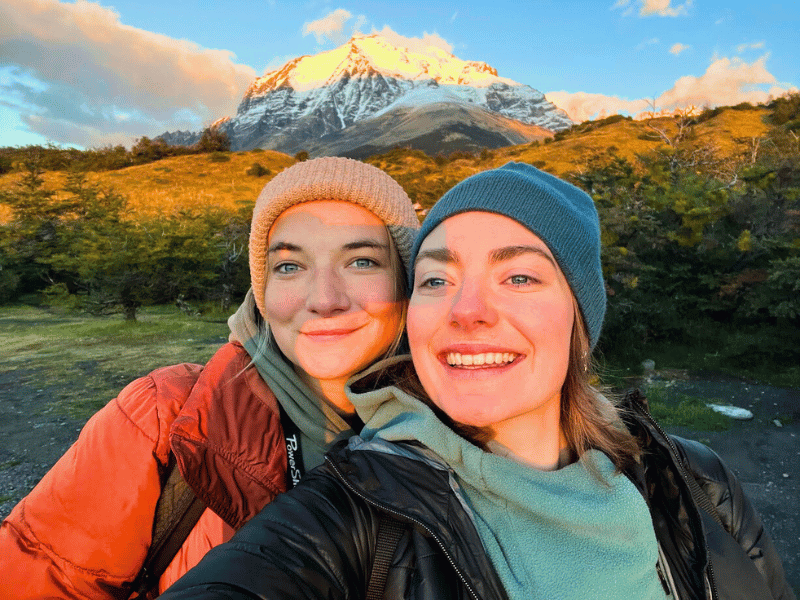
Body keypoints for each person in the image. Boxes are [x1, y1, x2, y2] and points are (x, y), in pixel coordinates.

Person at [160, 163, 795, 600]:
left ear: (580, 315)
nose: (466, 310)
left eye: (519, 277)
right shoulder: (355, 510)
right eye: (435, 279)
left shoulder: (692, 478)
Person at [0, 156, 420, 599]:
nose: (324, 299)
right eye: (289, 267)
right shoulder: (165, 415)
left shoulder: (471, 431)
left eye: (361, 262)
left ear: (407, 282)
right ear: (262, 290)